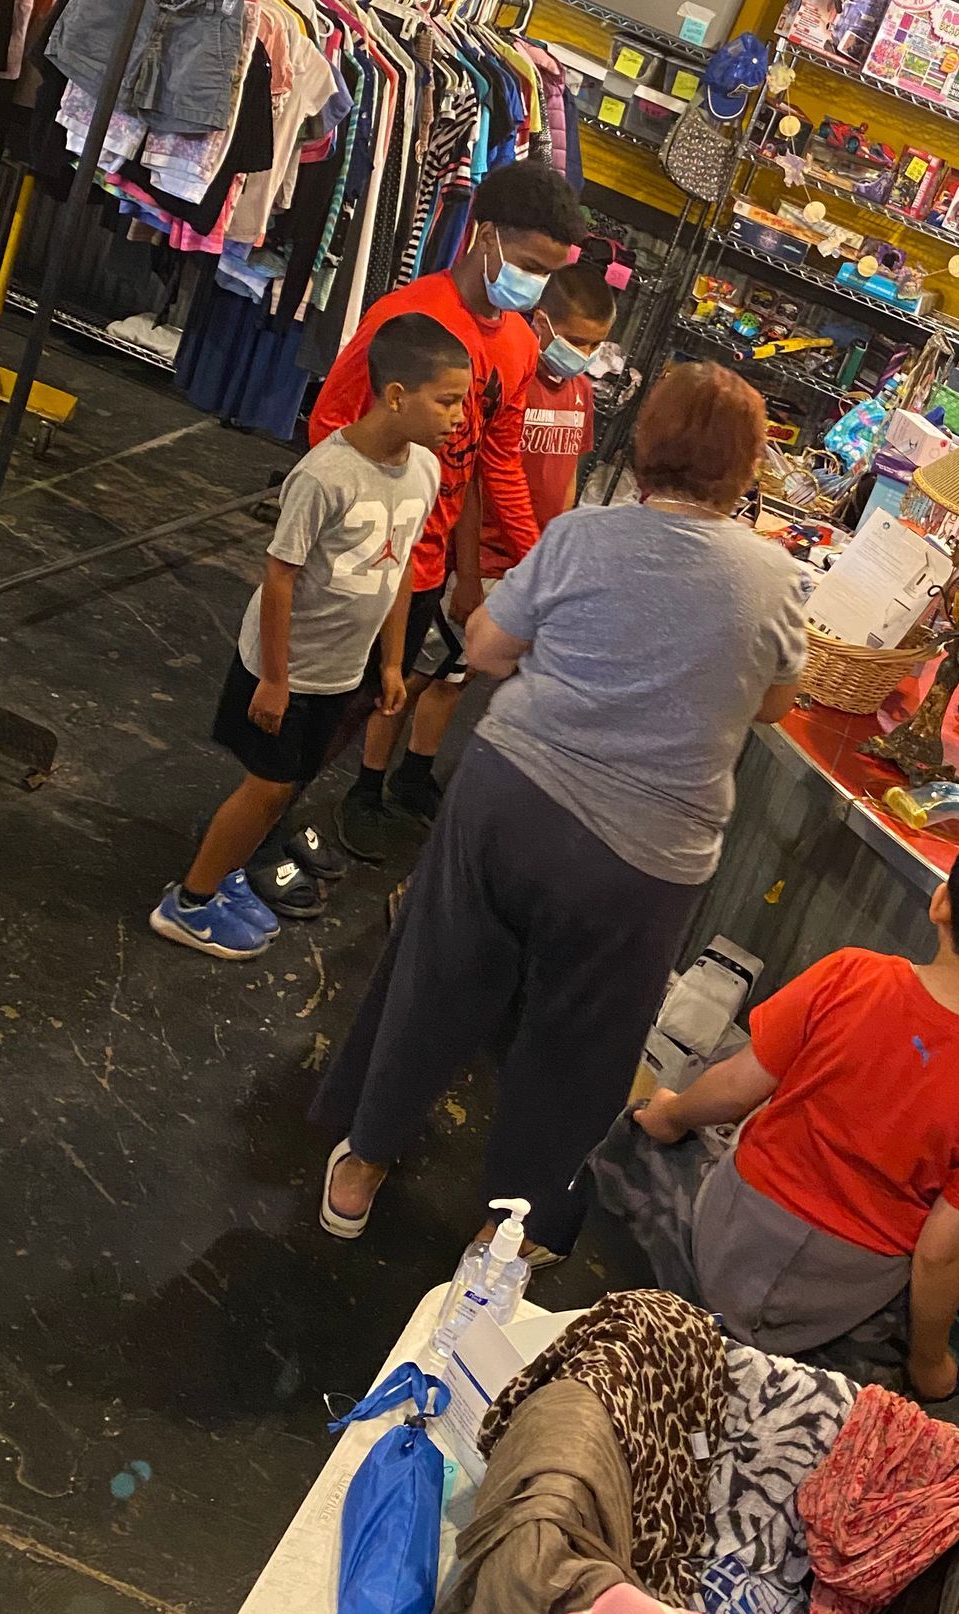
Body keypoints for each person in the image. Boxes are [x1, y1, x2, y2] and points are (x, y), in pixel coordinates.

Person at [313, 362, 809, 1254]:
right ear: (745, 469)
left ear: (648, 446)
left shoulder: (582, 534)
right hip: (644, 858)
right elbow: (773, 704)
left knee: (434, 983)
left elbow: (487, 650)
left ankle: (363, 1162)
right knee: (582, 1048)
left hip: (514, 796)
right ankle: (515, 1236)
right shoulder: (774, 577)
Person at [627, 818, 959, 1398]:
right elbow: (942, 1254)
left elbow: (737, 1088)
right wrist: (929, 1363)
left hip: (733, 1230)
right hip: (842, 1291)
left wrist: (668, 1115)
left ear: (941, 903)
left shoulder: (849, 974)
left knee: (670, 1129)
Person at [280, 158, 585, 890]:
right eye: (529, 265)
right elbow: (330, 422)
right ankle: (255, 835)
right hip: (358, 558)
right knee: (305, 705)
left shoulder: (517, 344)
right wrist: (360, 528)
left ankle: (276, 821)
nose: (534, 285)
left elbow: (496, 464)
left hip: (421, 570)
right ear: (484, 235)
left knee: (355, 708)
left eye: (548, 274)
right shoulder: (411, 318)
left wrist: (539, 560)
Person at [149, 315, 471, 961]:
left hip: (339, 670)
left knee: (290, 783)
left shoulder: (425, 471)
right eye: (447, 401)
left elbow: (401, 567)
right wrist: (275, 678)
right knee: (268, 787)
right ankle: (189, 903)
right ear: (397, 395)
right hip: (286, 669)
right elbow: (279, 574)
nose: (459, 417)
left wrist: (391, 664)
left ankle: (227, 872)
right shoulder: (325, 475)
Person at [384, 257, 620, 824]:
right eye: (576, 341)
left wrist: (551, 552)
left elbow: (568, 474)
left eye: (596, 345)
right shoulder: (513, 380)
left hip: (524, 564)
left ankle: (414, 770)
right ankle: (368, 778)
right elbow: (475, 478)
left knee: (459, 675)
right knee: (416, 672)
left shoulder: (580, 393)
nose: (584, 355)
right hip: (479, 557)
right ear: (542, 322)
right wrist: (469, 573)